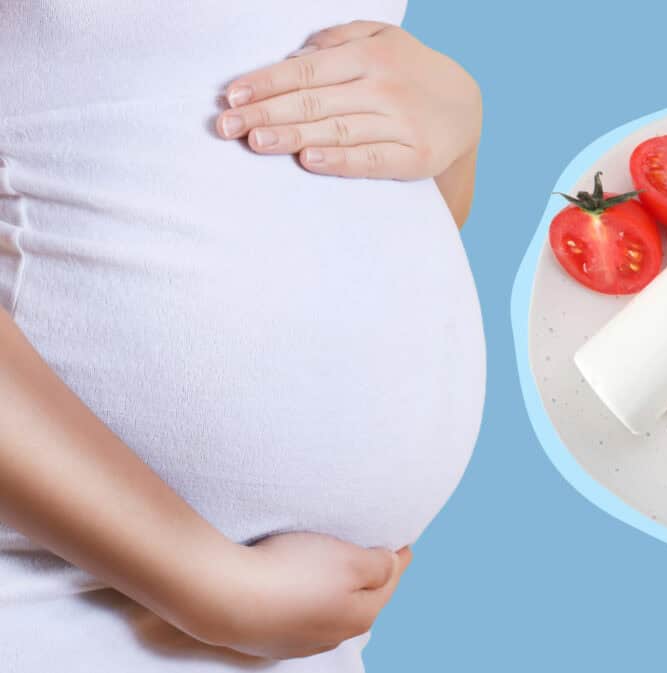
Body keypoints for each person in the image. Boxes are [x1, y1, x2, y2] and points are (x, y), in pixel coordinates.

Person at [0, 3, 485, 671]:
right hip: (53, 602)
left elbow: (334, 236)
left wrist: (454, 129)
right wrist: (201, 579)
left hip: (305, 637)